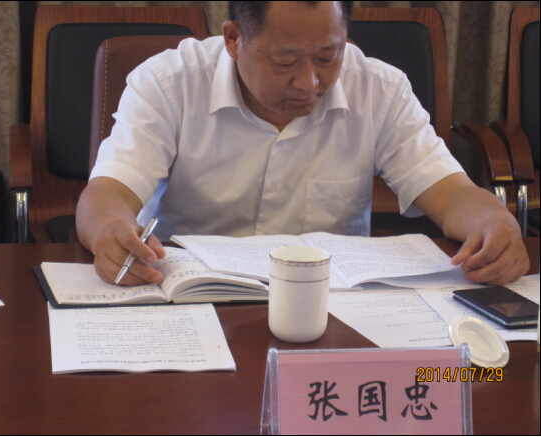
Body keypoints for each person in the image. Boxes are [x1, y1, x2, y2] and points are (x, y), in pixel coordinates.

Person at [76, 1, 529, 286]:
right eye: (285, 60)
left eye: (328, 56)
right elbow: (107, 195)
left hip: (330, 304)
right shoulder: (168, 83)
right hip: (193, 296)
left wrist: (494, 222)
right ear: (233, 39)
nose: (309, 82)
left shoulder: (380, 90)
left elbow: (452, 195)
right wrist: (110, 231)